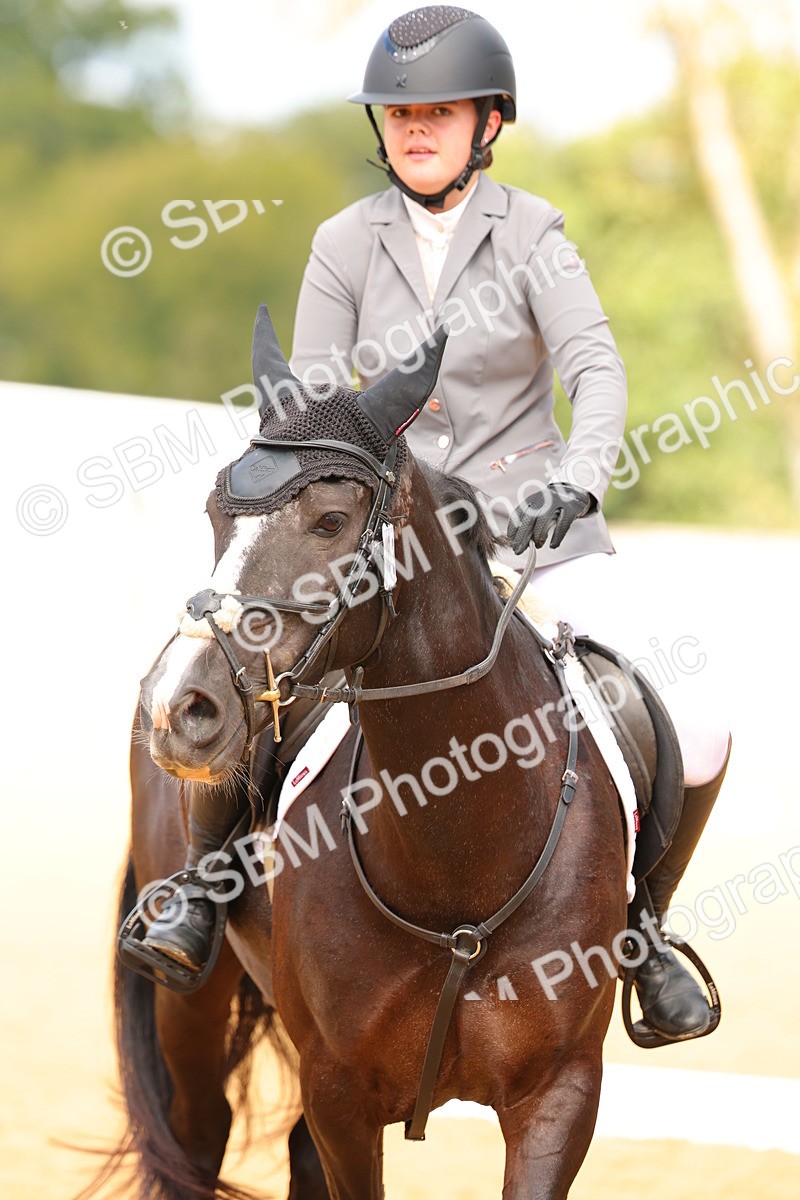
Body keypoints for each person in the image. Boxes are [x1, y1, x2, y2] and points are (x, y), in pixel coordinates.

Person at [144, 5, 731, 1044]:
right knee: (257, 666)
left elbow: (595, 369)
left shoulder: (534, 232)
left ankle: (643, 929)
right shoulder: (342, 242)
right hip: (386, 541)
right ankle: (197, 885)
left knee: (700, 723)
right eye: (400, 113)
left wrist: (580, 478)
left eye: (439, 112)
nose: (415, 128)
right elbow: (313, 409)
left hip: (530, 526)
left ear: (486, 123)